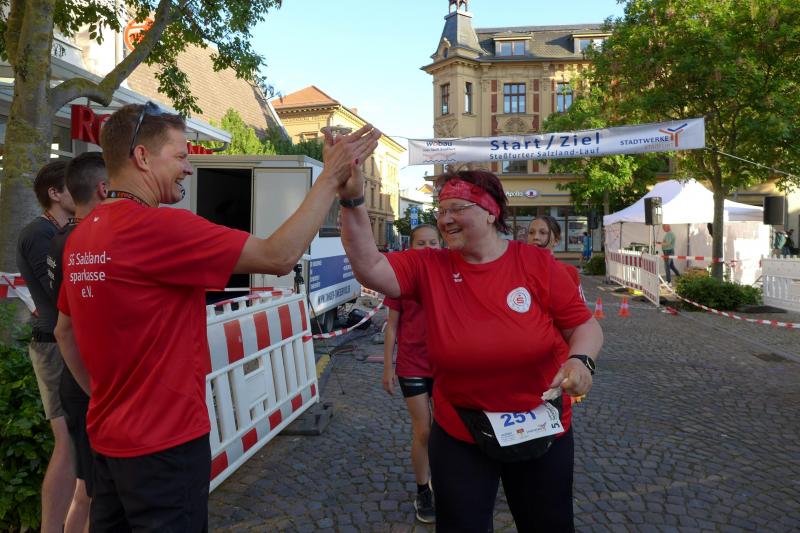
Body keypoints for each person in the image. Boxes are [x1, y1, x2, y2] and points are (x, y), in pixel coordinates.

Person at [54, 102, 381, 532]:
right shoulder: (157, 228)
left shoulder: (82, 236)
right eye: (181, 155)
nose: (188, 168)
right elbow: (279, 256)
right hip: (166, 444)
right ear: (142, 157)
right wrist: (329, 177)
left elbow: (64, 331)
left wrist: (104, 397)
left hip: (109, 440)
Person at [338, 167, 603, 532]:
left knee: (548, 524)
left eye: (457, 209)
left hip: (540, 426)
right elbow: (369, 266)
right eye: (441, 210)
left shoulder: (536, 264)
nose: (445, 219)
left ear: (490, 212)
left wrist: (580, 360)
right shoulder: (429, 265)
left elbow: (584, 326)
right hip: (460, 431)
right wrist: (352, 199)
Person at [15, 160, 80, 533]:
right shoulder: (38, 233)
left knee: (75, 446)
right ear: (54, 194)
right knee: (67, 444)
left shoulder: (57, 230)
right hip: (53, 344)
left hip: (59, 341)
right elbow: (60, 293)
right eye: (72, 186)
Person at [47, 152, 108, 532]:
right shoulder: (85, 240)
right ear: (103, 188)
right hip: (86, 379)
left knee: (89, 487)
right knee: (91, 491)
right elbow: (65, 328)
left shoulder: (62, 238)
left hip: (77, 377)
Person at [382, 224, 440, 524]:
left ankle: (448, 482)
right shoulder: (401, 281)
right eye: (421, 243)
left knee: (447, 431)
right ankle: (422, 490)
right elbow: (391, 326)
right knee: (424, 430)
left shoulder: (449, 276)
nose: (428, 248)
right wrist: (387, 366)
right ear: (410, 246)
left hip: (445, 366)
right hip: (412, 365)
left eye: (433, 242)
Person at [528, 215, 585, 301]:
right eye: (531, 232)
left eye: (543, 233)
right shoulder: (519, 270)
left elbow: (580, 306)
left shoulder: (569, 272)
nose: (535, 237)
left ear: (556, 240)